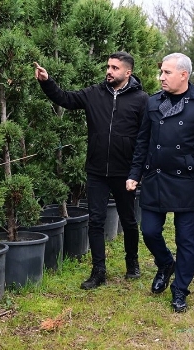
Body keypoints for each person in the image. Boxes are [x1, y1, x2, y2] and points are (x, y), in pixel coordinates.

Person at [35, 51, 148, 290]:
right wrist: (47, 82)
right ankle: (98, 271)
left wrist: (136, 173)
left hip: (124, 172)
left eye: (115, 68)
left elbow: (143, 140)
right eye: (108, 66)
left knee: (128, 220)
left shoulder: (141, 100)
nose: (109, 71)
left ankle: (132, 263)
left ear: (127, 72)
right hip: (96, 170)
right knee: (96, 221)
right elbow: (65, 98)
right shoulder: (94, 93)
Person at [126, 53, 194, 313]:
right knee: (150, 231)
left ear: (183, 75)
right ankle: (166, 263)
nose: (161, 77)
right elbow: (142, 142)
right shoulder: (153, 102)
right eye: (161, 72)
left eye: (167, 73)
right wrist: (134, 174)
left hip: (185, 180)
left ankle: (180, 289)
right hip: (155, 177)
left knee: (186, 239)